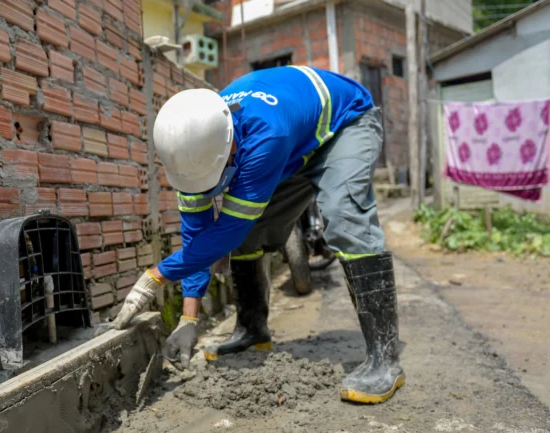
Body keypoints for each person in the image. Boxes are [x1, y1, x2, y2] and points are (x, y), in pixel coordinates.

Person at [110, 65, 403, 404]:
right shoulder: (191, 148)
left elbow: (228, 232)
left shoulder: (265, 134)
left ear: (230, 146)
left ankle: (385, 360)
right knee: (252, 233)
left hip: (344, 124)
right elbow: (198, 236)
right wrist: (188, 318)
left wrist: (154, 277)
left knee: (344, 216)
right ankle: (252, 330)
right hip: (296, 143)